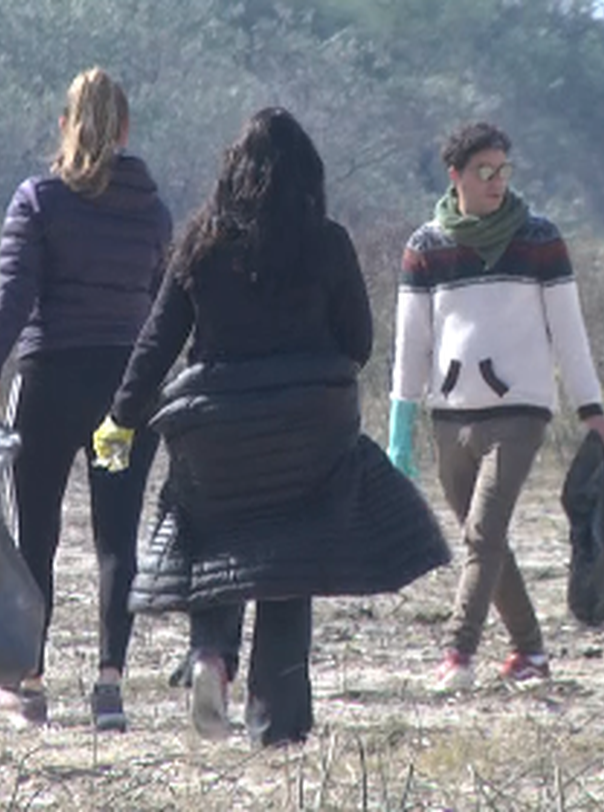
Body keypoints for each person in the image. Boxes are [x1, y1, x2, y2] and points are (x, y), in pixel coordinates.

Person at [93, 107, 448, 747]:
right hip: (306, 431)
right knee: (289, 566)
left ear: (232, 172)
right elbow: (359, 342)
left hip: (216, 427)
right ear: (307, 176)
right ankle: (276, 727)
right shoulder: (328, 242)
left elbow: (156, 342)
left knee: (212, 539)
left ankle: (209, 656)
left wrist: (121, 416)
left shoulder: (200, 241)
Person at [0, 66, 173, 731]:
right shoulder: (154, 210)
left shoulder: (39, 201)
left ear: (63, 126)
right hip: (126, 389)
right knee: (117, 540)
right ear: (127, 131)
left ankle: (30, 682)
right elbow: (164, 311)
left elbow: (12, 300)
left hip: (49, 382)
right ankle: (109, 688)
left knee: (36, 537)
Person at [387, 121, 604, 693]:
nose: (495, 183)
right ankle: (530, 652)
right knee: (480, 540)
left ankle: (458, 654)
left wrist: (591, 406)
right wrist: (400, 424)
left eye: (503, 171)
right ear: (456, 176)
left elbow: (569, 329)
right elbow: (411, 339)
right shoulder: (426, 245)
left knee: (485, 533)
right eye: (484, 172)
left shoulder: (539, 238)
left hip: (520, 409)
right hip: (450, 413)